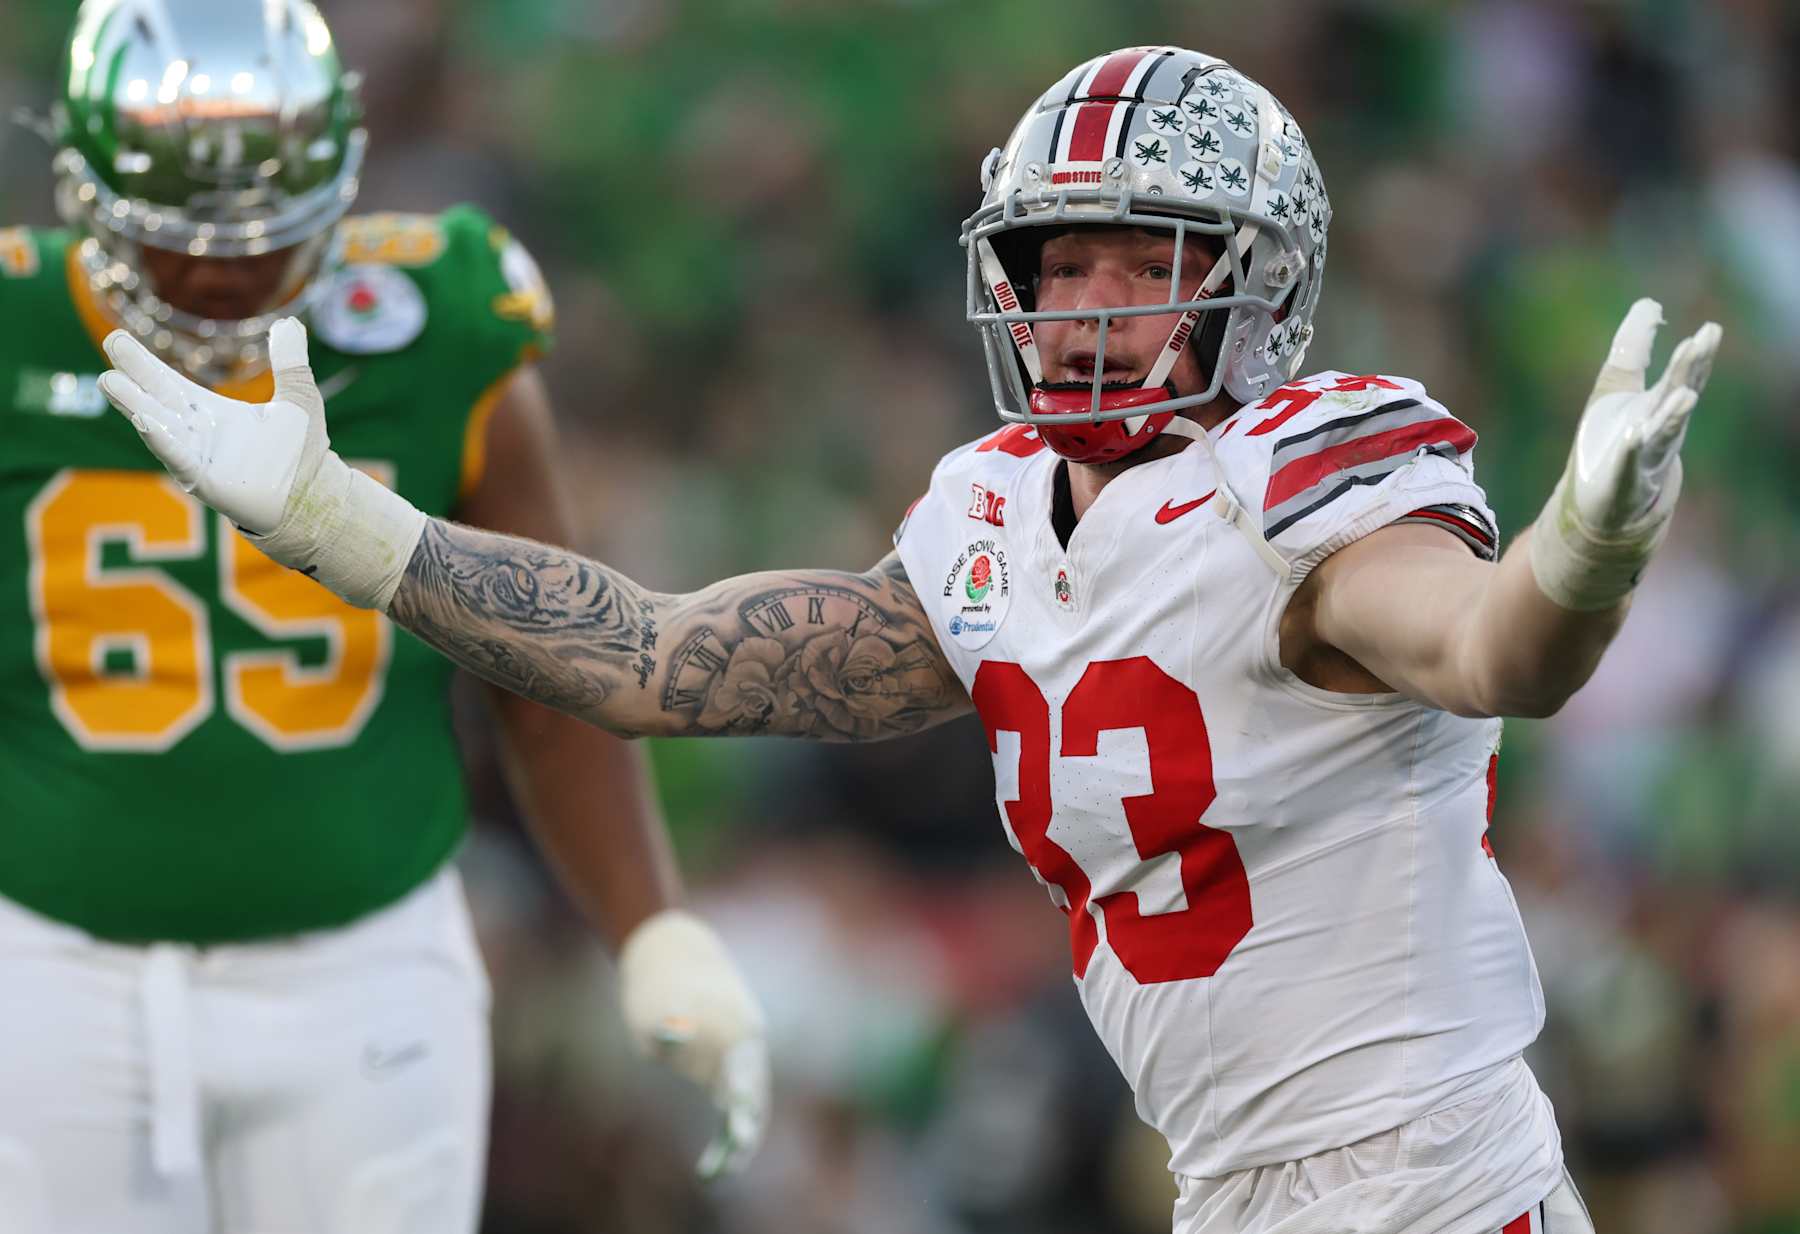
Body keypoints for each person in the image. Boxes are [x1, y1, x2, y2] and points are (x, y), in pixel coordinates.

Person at [97, 43, 1722, 1234]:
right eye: (1057, 261)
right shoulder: (988, 522)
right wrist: (342, 521)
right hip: (1231, 1191)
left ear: (1256, 284)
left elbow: (1496, 648)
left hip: (1438, 1187)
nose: (1086, 306)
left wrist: (1583, 549)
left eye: (1143, 261)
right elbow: (655, 659)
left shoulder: (1299, 488)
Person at [0, 3, 765, 1231]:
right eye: (182, 238)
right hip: (50, 959)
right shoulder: (13, 326)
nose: (227, 273)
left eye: (268, 235)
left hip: (363, 962)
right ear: (84, 194)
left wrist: (649, 923)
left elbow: (541, 658)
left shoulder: (434, 320)